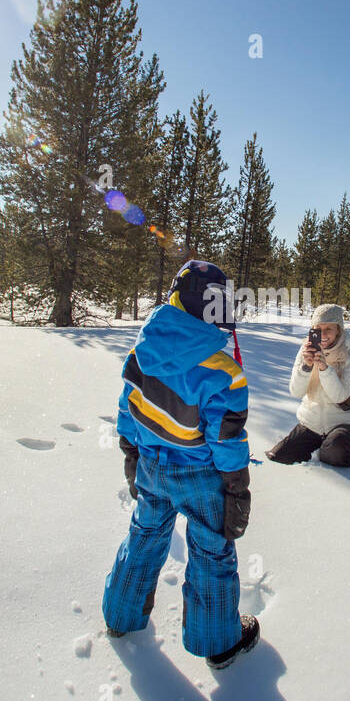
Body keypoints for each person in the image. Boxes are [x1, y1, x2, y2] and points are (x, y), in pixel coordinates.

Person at [102, 259, 259, 670]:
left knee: (144, 536)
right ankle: (218, 642)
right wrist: (236, 490)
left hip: (152, 464)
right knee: (211, 552)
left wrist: (131, 453)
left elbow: (127, 407)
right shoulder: (224, 373)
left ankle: (120, 617)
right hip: (201, 477)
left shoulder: (142, 349)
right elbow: (226, 441)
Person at [266, 303, 350, 467]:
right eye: (318, 329)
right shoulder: (305, 350)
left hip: (344, 423)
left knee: (334, 453)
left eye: (329, 329)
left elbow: (339, 395)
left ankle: (332, 446)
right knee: (279, 456)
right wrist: (306, 366)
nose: (323, 335)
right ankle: (321, 444)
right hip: (311, 423)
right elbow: (296, 392)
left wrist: (324, 368)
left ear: (338, 330)